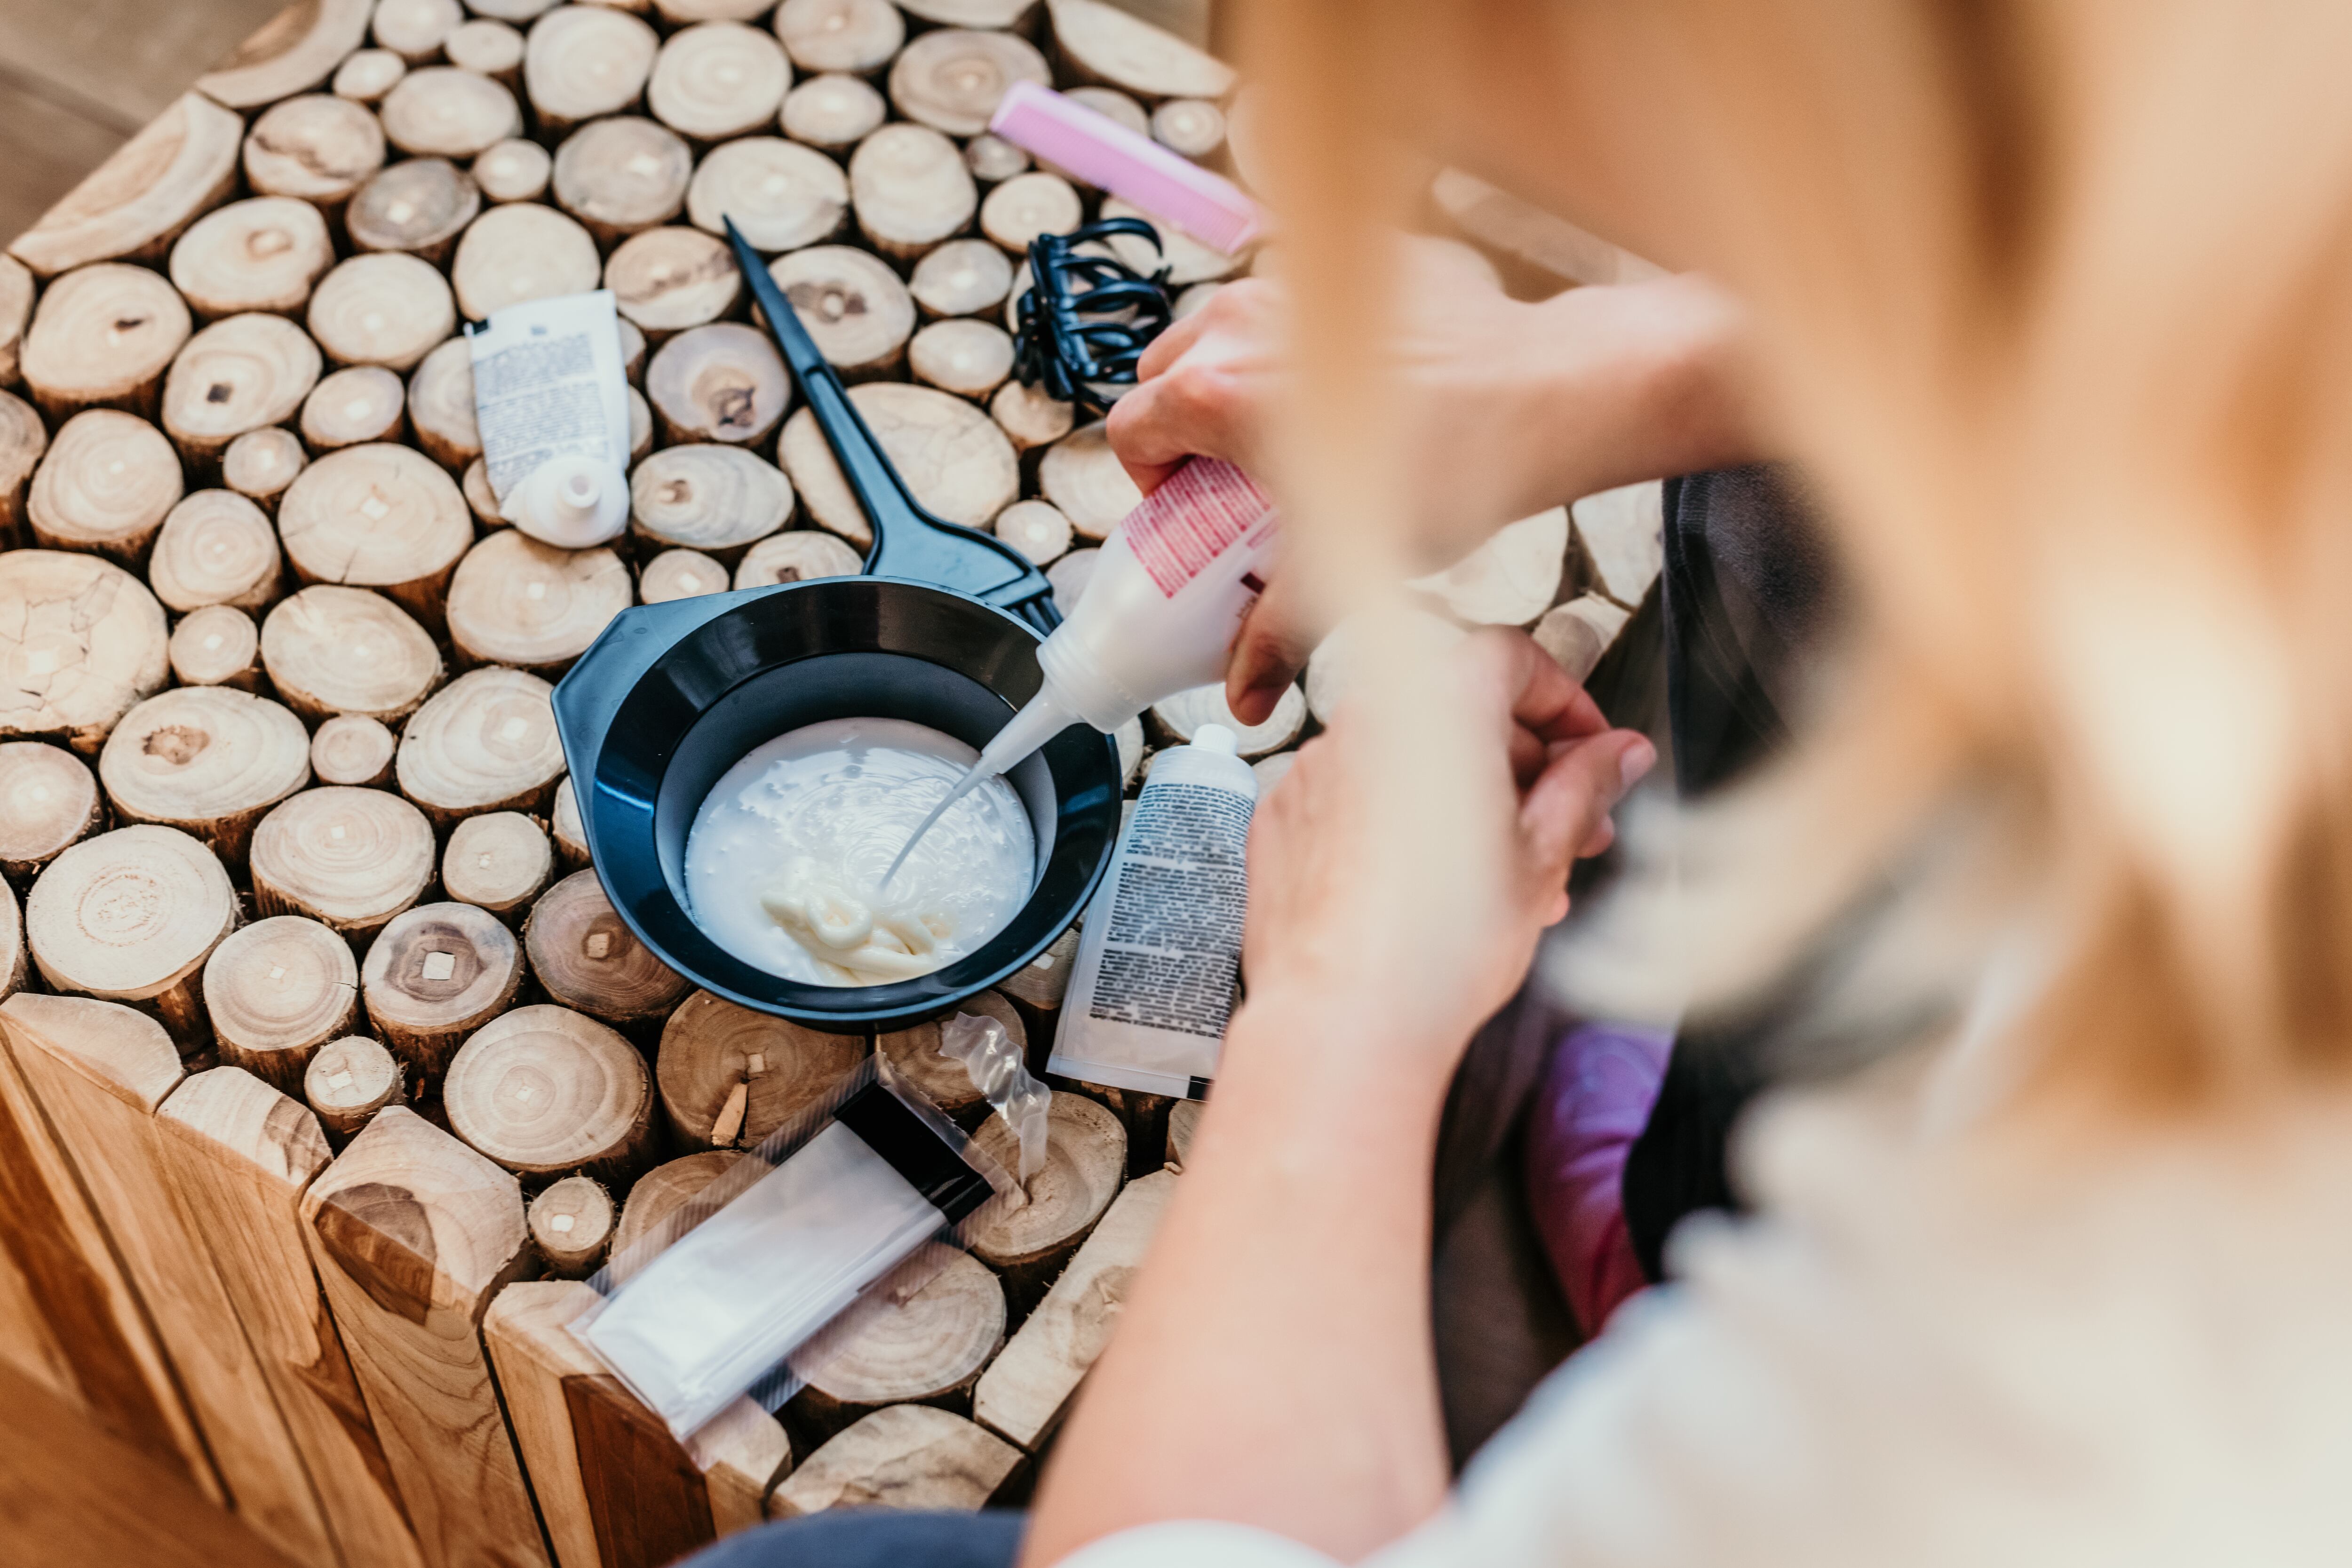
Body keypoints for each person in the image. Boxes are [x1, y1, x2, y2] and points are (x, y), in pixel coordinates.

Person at [696, 0, 2352, 1562]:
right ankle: (1686, 1210)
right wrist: (1628, 369)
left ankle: (1705, 1249)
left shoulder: (2112, 1276)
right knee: (1796, 523)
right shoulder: (2260, 231)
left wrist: (1345, 1011)